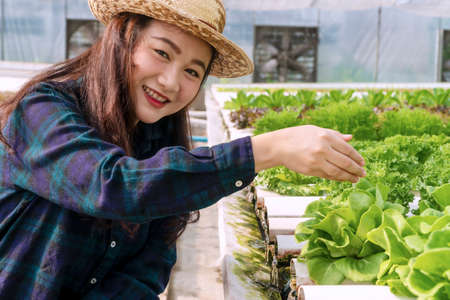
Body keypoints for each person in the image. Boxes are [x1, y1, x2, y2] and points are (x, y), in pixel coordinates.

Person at [0, 0, 366, 298]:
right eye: (162, 52)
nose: (171, 81)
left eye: (193, 72)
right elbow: (109, 186)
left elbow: (149, 267)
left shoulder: (158, 144)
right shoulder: (42, 109)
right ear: (124, 37)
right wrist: (264, 150)